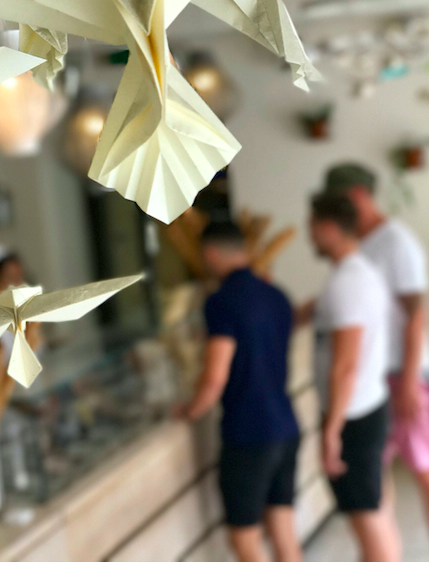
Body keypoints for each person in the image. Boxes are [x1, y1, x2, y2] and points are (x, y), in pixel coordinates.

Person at [178, 221, 301, 562]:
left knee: (245, 538)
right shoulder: (277, 295)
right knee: (283, 531)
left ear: (210, 253)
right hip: (286, 425)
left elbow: (215, 376)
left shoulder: (221, 302)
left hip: (248, 434)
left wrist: (191, 410)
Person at [326, 163, 429, 523]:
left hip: (404, 373)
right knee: (376, 472)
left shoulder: (395, 242)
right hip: (379, 376)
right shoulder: (362, 244)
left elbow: (416, 315)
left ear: (358, 195)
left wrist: (410, 381)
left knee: (423, 468)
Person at [304, 193, 398, 562]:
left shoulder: (348, 283)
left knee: (368, 519)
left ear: (329, 228)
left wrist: (332, 431)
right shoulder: (359, 274)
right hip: (367, 407)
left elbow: (345, 367)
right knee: (377, 512)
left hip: (353, 417)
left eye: (313, 228)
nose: (310, 236)